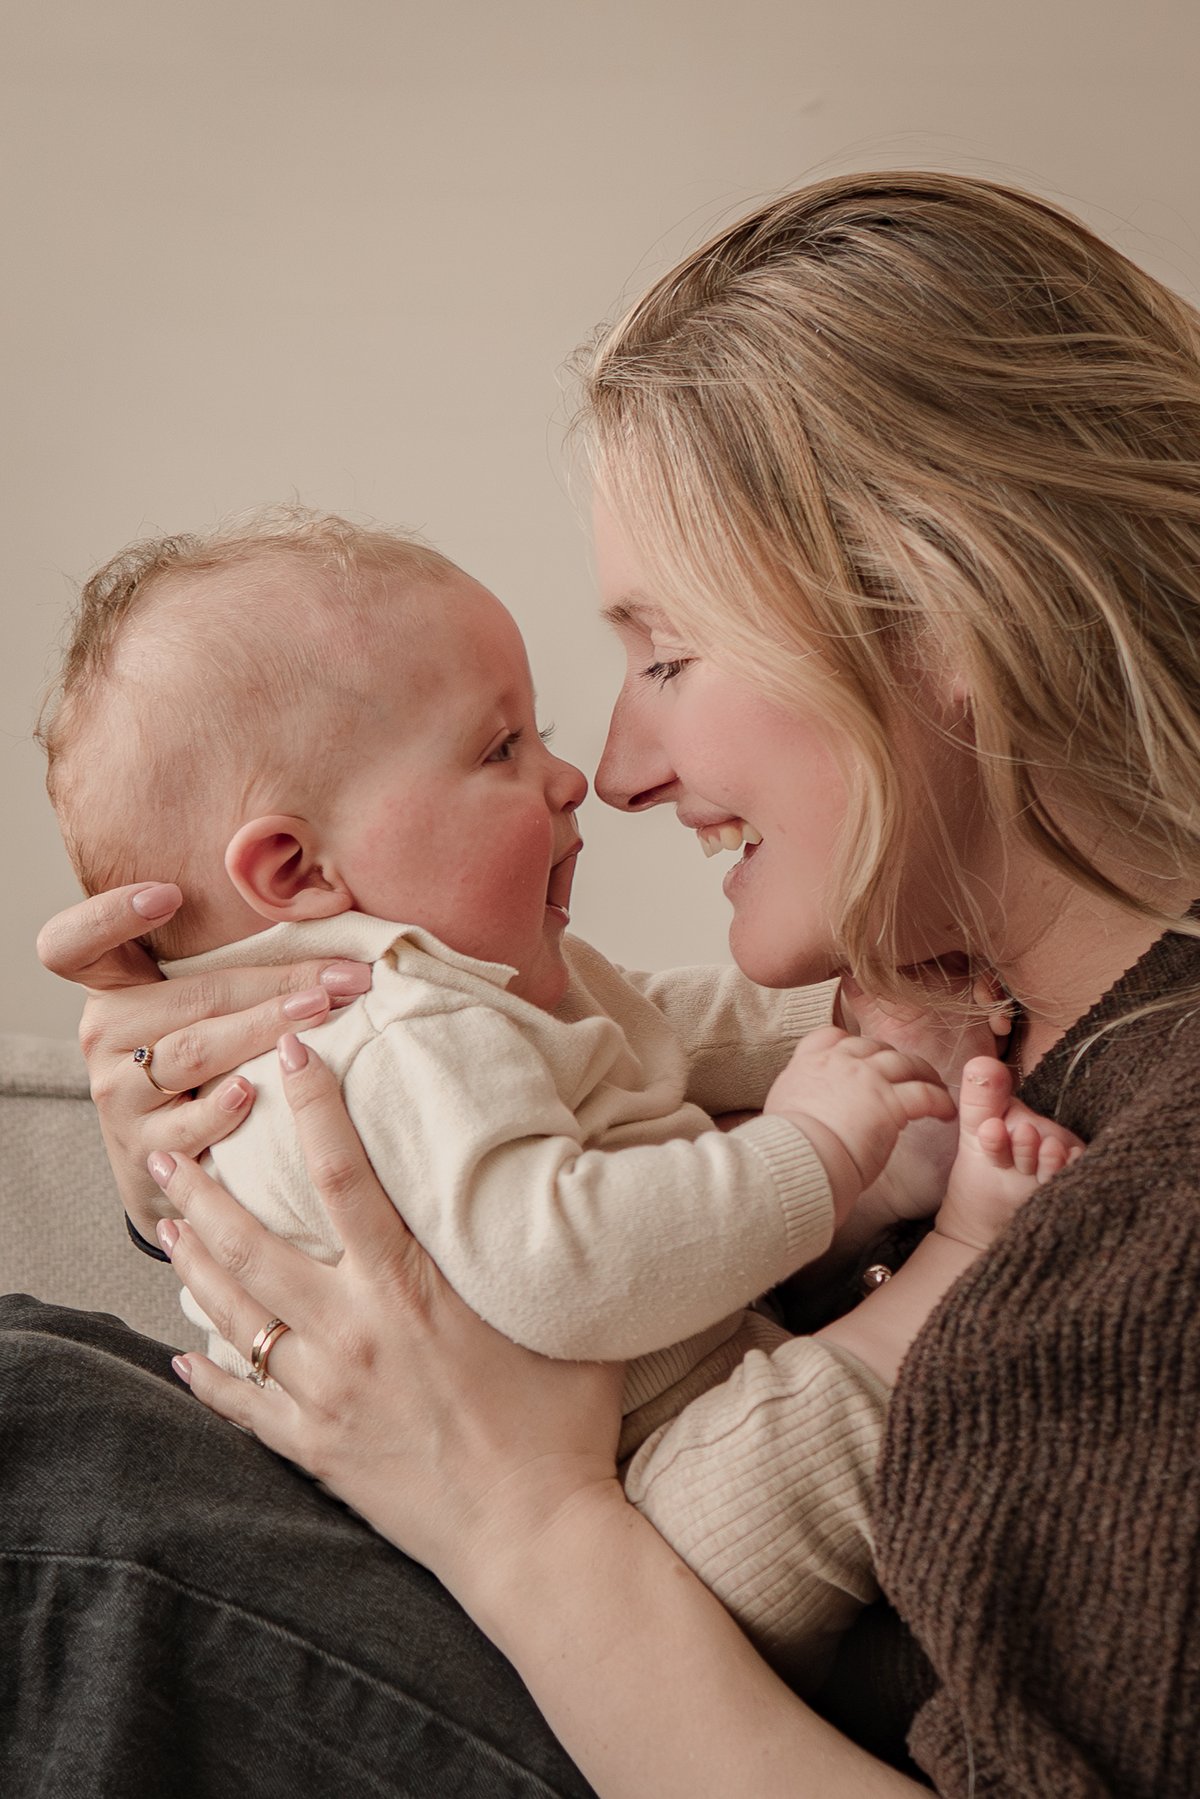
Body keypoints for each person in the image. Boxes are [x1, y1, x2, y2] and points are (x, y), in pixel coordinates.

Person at [7, 168, 1200, 1796]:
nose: (615, 773)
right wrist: (221, 1110)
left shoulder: (1159, 1199)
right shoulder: (926, 1001)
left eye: (666, 656)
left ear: (944, 615)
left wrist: (517, 1520)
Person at [37, 506, 1074, 1687]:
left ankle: (890, 1178)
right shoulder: (394, 1029)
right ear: (297, 869)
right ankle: (952, 1263)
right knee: (735, 1505)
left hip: (604, 1444)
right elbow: (564, 1262)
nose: (578, 774)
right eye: (498, 750)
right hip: (627, 1552)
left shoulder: (452, 983)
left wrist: (851, 1022)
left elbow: (653, 1023)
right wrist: (817, 1141)